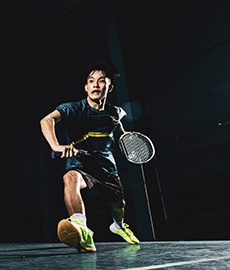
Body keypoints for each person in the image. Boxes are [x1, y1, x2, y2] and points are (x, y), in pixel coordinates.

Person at [40, 60, 139, 253]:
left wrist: (127, 138)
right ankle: (81, 228)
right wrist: (56, 145)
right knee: (70, 178)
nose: (95, 84)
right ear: (86, 87)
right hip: (81, 164)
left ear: (109, 87)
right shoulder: (73, 108)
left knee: (118, 204)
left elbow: (118, 128)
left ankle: (118, 225)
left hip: (106, 166)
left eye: (101, 81)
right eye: (91, 81)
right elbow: (47, 120)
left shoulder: (116, 112)